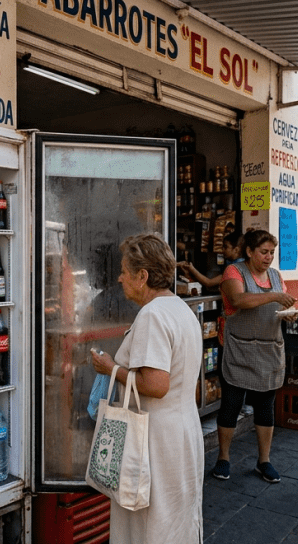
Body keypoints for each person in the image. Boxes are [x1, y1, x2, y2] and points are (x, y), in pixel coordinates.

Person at [91, 233, 203, 543]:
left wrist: (111, 368)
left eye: (125, 271)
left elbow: (156, 385)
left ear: (143, 276)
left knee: (151, 524)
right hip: (181, 431)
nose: (120, 277)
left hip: (156, 439)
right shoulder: (180, 309)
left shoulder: (153, 315)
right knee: (175, 520)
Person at [208, 230, 297, 483]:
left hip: (269, 351)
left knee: (265, 408)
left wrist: (288, 312)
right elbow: (238, 300)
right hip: (240, 351)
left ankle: (264, 460)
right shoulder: (234, 273)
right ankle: (223, 458)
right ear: (249, 252)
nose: (269, 258)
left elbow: (282, 307)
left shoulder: (276, 277)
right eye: (264, 252)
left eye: (272, 253)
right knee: (231, 406)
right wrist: (275, 296)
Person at [178, 231, 243, 289]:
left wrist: (191, 269)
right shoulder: (233, 263)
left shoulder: (235, 267)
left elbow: (209, 283)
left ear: (236, 250)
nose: (223, 250)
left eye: (226, 247)